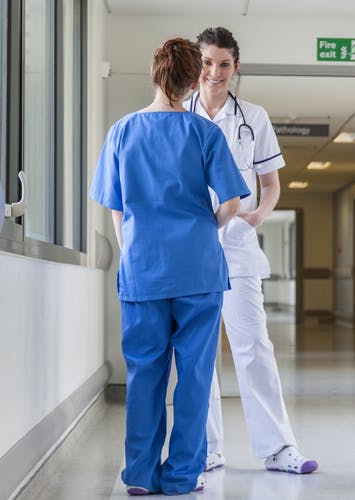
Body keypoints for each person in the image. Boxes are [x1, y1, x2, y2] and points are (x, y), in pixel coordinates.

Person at [89, 38, 249, 495]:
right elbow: (234, 203)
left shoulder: (122, 131)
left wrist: (131, 247)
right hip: (198, 271)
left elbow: (115, 208)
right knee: (195, 375)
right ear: (195, 80)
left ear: (154, 75)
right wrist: (206, 226)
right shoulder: (204, 133)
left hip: (143, 270)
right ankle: (181, 476)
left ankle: (139, 475)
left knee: (144, 373)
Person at [184, 26, 317, 475]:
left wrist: (260, 214)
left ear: (235, 67)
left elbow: (271, 183)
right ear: (195, 65)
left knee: (254, 346)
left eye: (224, 64)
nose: (215, 72)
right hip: (189, 249)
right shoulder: (177, 113)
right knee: (197, 351)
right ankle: (206, 447)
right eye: (206, 63)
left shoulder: (253, 117)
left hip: (237, 249)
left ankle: (278, 448)